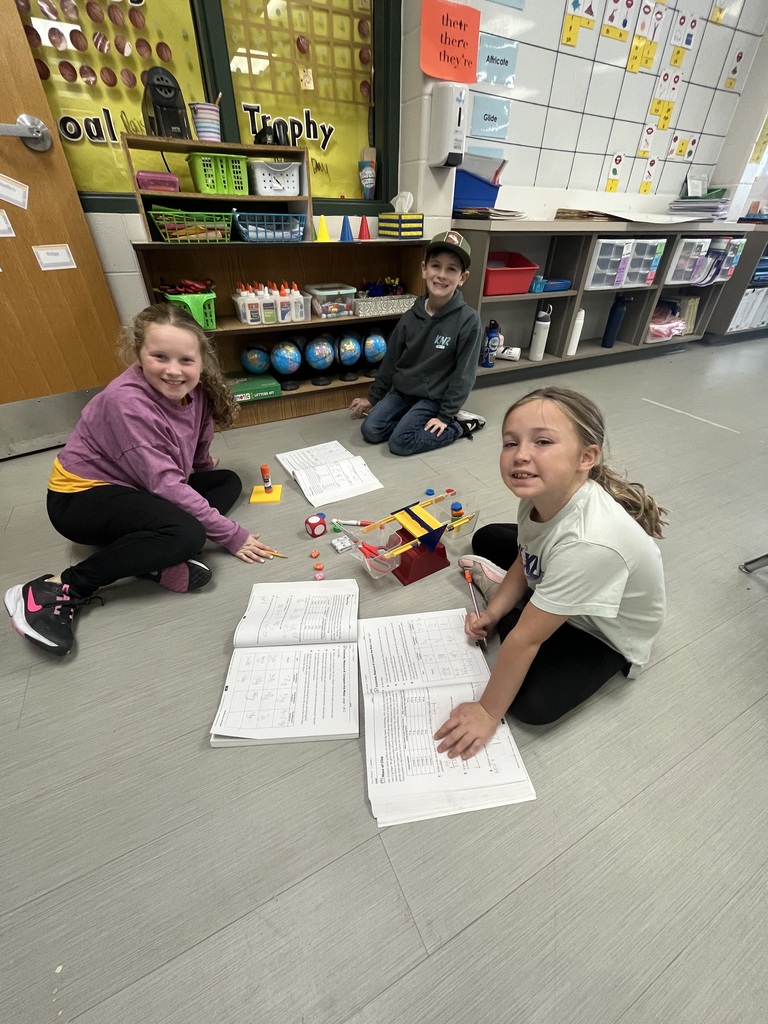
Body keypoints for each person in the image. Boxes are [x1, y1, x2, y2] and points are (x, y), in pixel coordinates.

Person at [4, 303, 277, 657]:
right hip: (80, 499)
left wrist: (200, 467)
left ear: (201, 360)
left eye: (185, 360)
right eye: (159, 357)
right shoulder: (126, 402)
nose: (174, 371)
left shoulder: (198, 389)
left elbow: (197, 448)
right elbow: (165, 485)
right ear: (137, 354)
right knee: (189, 533)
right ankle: (57, 589)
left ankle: (149, 553)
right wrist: (231, 535)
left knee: (226, 481)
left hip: (135, 485)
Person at [435, 386, 667, 758]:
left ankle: (534, 602)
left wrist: (486, 711)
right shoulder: (537, 498)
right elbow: (528, 554)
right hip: (569, 567)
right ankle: (532, 597)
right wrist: (493, 612)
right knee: (488, 537)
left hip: (604, 631)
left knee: (531, 703)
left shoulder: (588, 544)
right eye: (510, 443)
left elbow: (525, 641)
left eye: (542, 441)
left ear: (586, 457)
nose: (520, 455)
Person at [349, 230, 484, 455]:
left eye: (451, 269)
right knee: (370, 430)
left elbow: (464, 375)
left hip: (434, 399)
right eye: (436, 266)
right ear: (424, 269)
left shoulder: (468, 320)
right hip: (402, 392)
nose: (441, 275)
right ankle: (409, 421)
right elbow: (391, 362)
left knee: (400, 443)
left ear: (463, 278)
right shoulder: (410, 316)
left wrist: (445, 415)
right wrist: (373, 398)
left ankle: (459, 425)